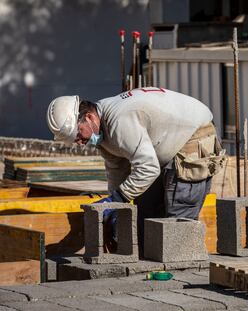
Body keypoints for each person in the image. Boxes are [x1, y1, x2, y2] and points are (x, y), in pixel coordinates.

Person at [46, 87, 226, 253]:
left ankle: (180, 274)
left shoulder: (119, 121)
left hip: (192, 136)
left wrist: (117, 199)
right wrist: (115, 208)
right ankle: (149, 271)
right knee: (145, 211)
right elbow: (117, 171)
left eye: (78, 134)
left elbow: (148, 168)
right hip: (163, 145)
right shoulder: (101, 133)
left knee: (176, 222)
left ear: (89, 117)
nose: (79, 142)